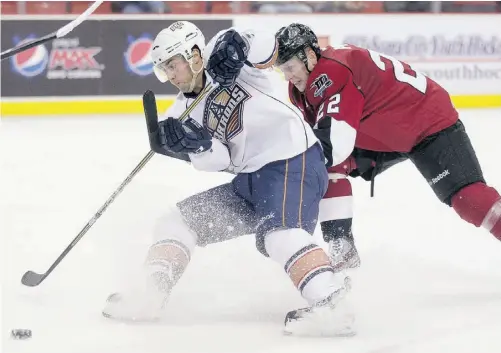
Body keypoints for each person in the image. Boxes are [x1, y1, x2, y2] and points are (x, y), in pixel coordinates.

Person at [102, 21, 354, 336]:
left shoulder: (221, 47)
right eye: (164, 70)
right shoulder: (181, 112)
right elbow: (220, 160)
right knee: (176, 221)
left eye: (172, 65)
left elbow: (268, 45)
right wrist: (199, 145)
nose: (171, 76)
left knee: (280, 234)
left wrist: (240, 44)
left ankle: (332, 302)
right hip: (250, 181)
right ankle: (152, 293)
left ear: (193, 54)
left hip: (293, 159)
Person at [274, 23, 501, 260]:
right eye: (282, 70)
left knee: (470, 202)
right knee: (325, 162)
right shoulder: (301, 86)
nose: (287, 76)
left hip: (427, 123)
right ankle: (342, 248)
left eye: (290, 67)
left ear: (310, 55)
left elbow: (334, 145)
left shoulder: (330, 74)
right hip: (383, 131)